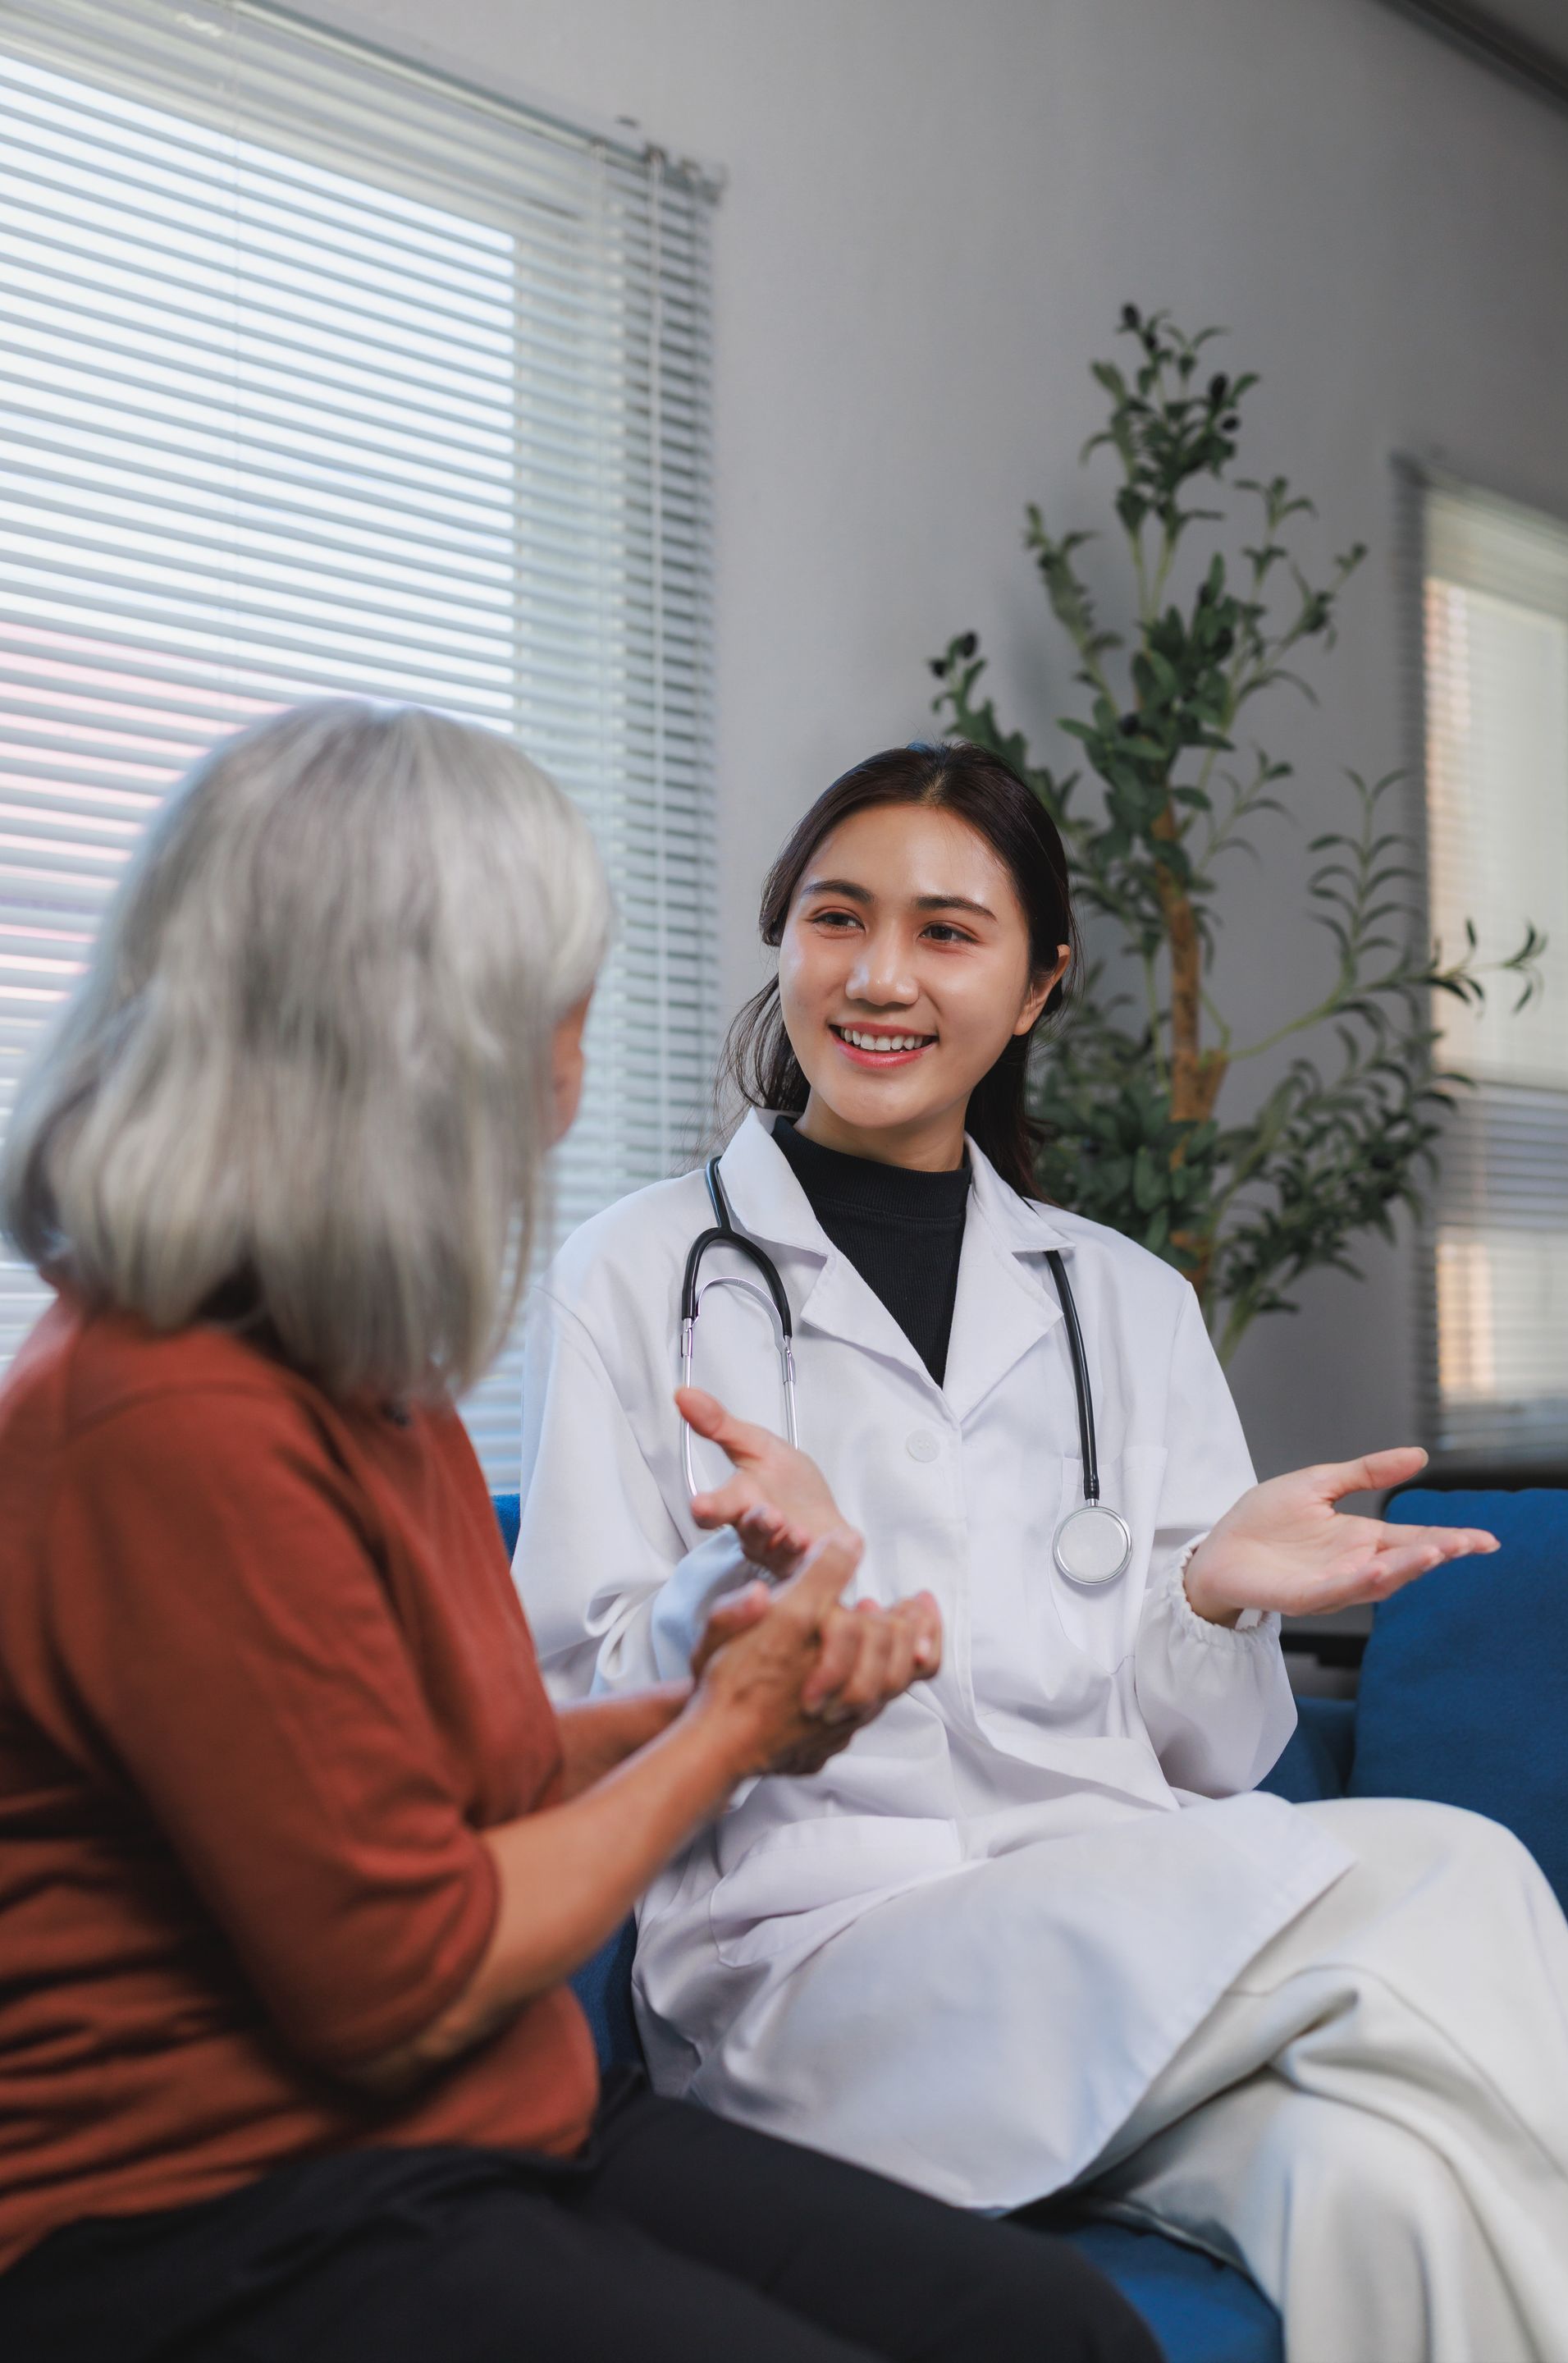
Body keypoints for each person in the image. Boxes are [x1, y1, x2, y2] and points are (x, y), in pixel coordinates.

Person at [0, 704, 1158, 2363]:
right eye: (563, 1010)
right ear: (429, 1044)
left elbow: (443, 1781)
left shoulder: (354, 1376)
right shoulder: (160, 1417)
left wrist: (743, 1702)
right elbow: (397, 1967)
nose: (578, 1067)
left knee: (1058, 2336)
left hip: (484, 2128)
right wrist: (726, 1742)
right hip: (215, 2209)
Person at [516, 739, 1568, 2363]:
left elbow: (1219, 1750)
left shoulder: (1121, 1301)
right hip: (814, 1975)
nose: (879, 976)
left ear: (1035, 986)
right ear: (781, 937)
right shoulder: (642, 1270)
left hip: (1101, 1930)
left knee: (1391, 2187)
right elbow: (561, 1706)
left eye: (947, 932)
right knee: (1459, 1867)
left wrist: (1211, 1592)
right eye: (835, 918)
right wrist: (743, 1588)